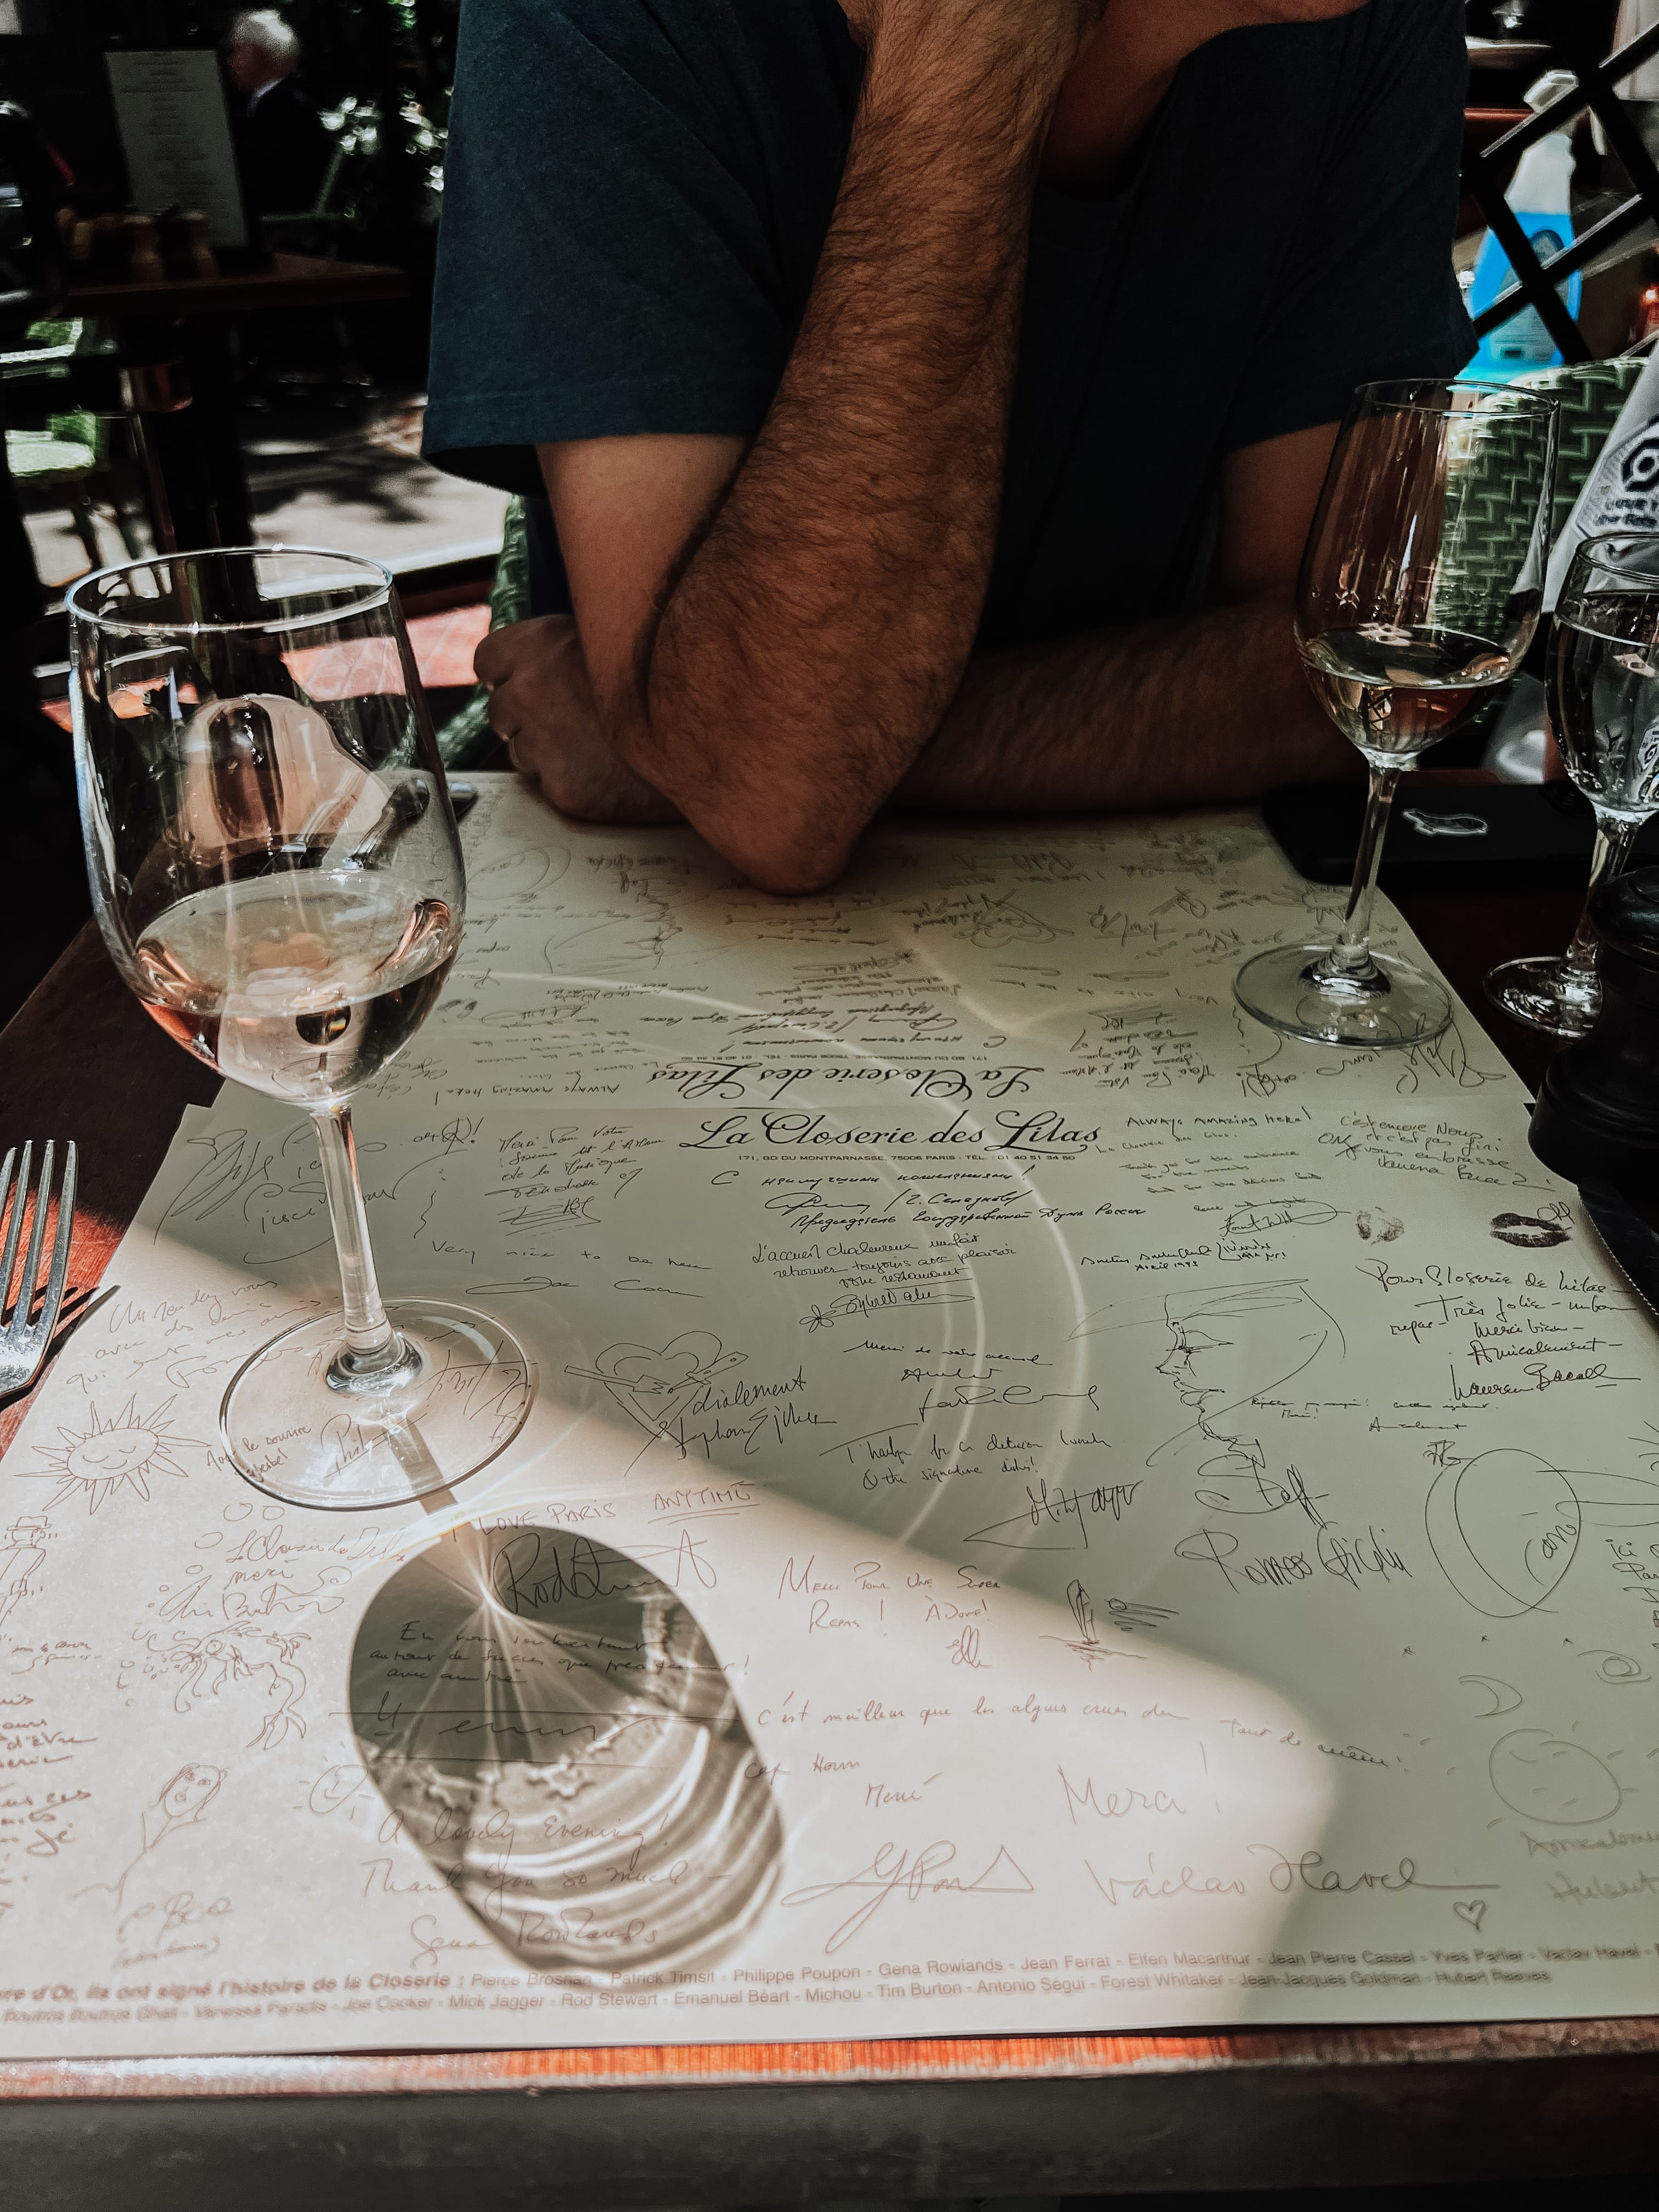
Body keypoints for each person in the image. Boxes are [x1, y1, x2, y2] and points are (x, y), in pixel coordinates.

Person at [425, 0, 1475, 894]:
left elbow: (1342, 682)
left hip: (1146, 918)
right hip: (648, 943)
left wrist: (712, 749)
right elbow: (771, 804)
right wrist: (967, 51)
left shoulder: (1364, 25)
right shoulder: (608, 21)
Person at [224, 8, 332, 216]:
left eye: (238, 50)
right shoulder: (276, 101)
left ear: (261, 54)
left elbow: (266, 179)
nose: (231, 61)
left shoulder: (285, 108)